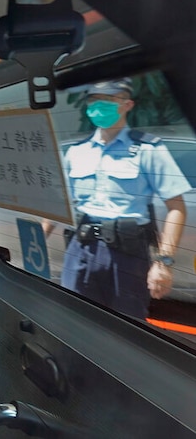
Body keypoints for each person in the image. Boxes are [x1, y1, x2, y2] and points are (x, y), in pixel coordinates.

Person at [56, 78, 191, 319]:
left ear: (127, 104)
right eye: (93, 100)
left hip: (126, 254)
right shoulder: (76, 152)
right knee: (73, 318)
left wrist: (163, 263)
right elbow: (60, 205)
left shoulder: (148, 149)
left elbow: (176, 207)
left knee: (126, 326)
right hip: (81, 247)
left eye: (108, 100)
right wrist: (36, 239)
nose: (99, 106)